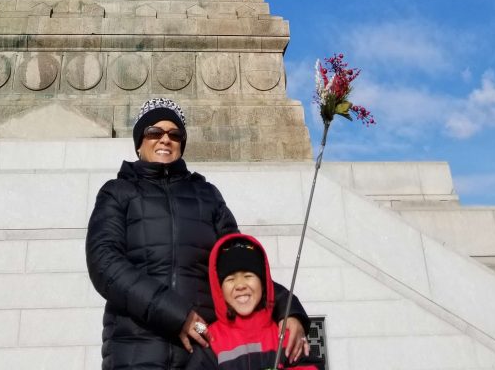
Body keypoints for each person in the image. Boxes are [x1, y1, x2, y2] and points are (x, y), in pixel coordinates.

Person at [86, 97, 311, 370]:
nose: (165, 139)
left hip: (201, 352)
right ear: (139, 143)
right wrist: (176, 315)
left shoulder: (207, 195)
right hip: (135, 349)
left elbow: (240, 262)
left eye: (175, 134)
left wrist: (288, 310)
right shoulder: (116, 192)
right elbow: (104, 264)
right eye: (154, 132)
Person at [186, 233, 321, 370]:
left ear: (263, 284)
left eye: (248, 276)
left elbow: (310, 365)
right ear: (219, 290)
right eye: (230, 279)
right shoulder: (211, 338)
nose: (240, 285)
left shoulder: (283, 334)